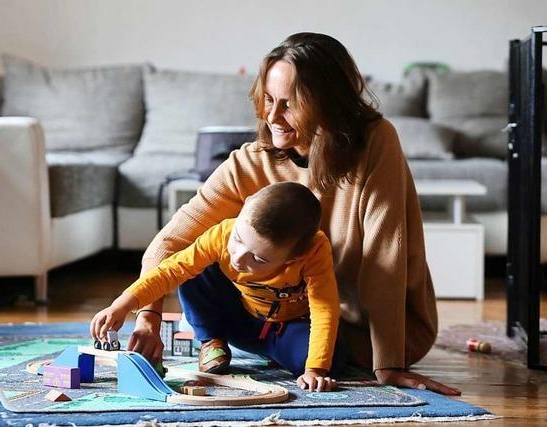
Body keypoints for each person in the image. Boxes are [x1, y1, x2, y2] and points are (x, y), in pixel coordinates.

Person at [124, 32, 461, 396]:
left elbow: (385, 260)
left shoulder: (376, 142)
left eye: (288, 104)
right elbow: (172, 242)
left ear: (326, 103)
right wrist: (148, 318)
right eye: (268, 99)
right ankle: (222, 339)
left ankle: (303, 351)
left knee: (328, 353)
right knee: (201, 253)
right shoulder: (251, 161)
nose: (272, 115)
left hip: (346, 326)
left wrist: (389, 363)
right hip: (267, 315)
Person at [91, 182, 342, 392]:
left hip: (283, 329)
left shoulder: (314, 251)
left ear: (295, 258)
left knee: (331, 359)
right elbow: (171, 270)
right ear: (243, 209)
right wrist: (121, 305)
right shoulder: (222, 234)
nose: (238, 258)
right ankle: (212, 340)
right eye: (239, 240)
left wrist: (314, 370)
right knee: (192, 269)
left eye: (259, 259)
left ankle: (266, 352)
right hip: (238, 318)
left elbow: (325, 309)